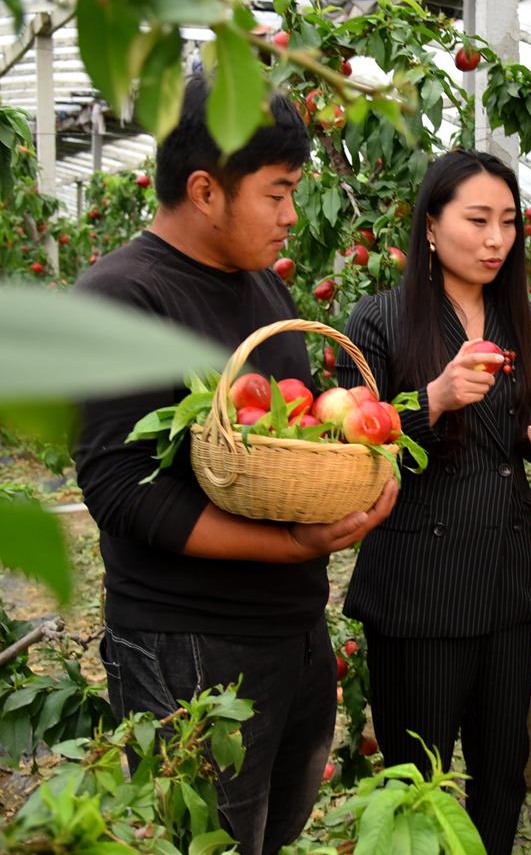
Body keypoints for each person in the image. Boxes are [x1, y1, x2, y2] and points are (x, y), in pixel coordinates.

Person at [72, 75, 397, 854]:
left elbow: (288, 434)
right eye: (278, 193)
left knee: (271, 836)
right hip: (187, 645)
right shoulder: (123, 298)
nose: (292, 215)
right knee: (206, 843)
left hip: (290, 630)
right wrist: (287, 546)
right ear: (205, 190)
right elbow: (118, 491)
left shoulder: (264, 288)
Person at [337, 149, 531, 853]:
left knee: (501, 773)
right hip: (419, 586)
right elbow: (359, 448)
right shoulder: (380, 320)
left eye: (507, 222)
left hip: (507, 577)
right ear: (432, 228)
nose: (496, 238)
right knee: (418, 774)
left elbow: (522, 433)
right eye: (478, 220)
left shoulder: (519, 316)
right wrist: (434, 400)